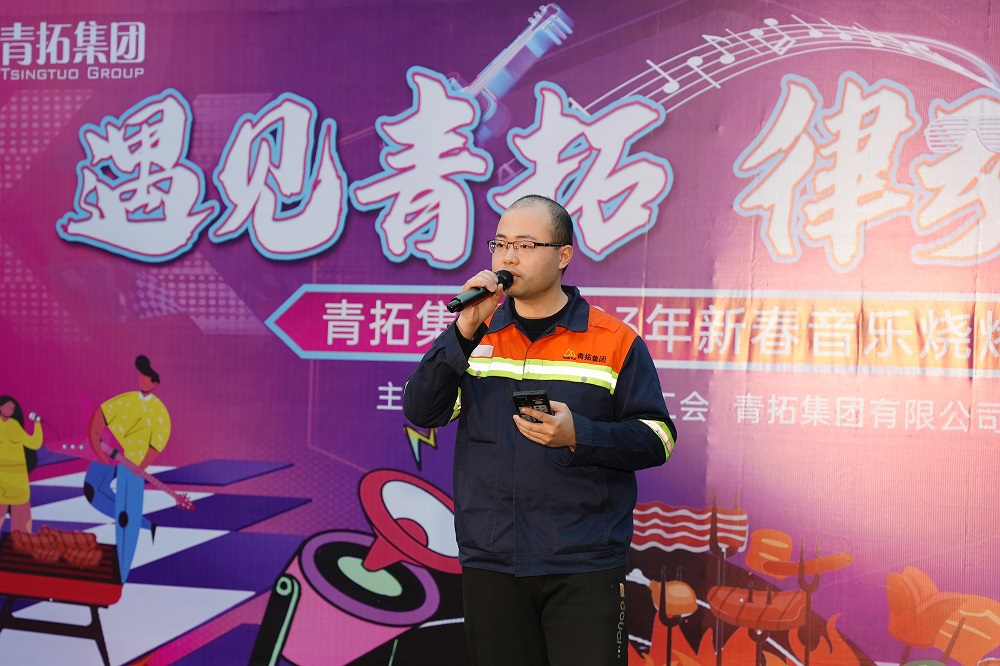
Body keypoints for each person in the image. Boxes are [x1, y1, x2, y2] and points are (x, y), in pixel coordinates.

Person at [403, 194, 677, 666]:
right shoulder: (476, 335)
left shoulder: (613, 341)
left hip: (583, 563)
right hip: (491, 558)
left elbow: (658, 438)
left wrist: (579, 435)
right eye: (500, 244)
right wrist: (463, 331)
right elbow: (422, 410)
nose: (508, 258)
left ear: (563, 255)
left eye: (525, 245)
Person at [83, 354, 170, 582]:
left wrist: (141, 466)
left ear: (154, 383)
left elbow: (156, 444)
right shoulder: (126, 400)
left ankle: (122, 573)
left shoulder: (159, 411)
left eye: (146, 376)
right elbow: (100, 416)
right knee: (92, 490)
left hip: (131, 465)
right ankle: (146, 524)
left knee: (125, 518)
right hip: (109, 453)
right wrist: (97, 446)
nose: (141, 379)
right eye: (141, 375)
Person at [0, 395, 43, 534]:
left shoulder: (14, 425)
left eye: (13, 406)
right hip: (2, 483)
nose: (12, 407)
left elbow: (34, 443)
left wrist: (37, 424)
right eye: (8, 405)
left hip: (19, 485)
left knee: (22, 535)